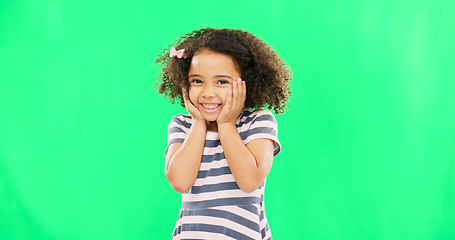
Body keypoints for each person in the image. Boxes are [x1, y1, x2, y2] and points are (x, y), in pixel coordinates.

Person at [155, 27, 292, 240]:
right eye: (197, 81)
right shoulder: (182, 125)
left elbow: (249, 181)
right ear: (185, 83)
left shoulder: (257, 122)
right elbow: (180, 182)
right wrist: (199, 122)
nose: (208, 93)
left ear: (246, 83)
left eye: (222, 82)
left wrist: (226, 123)